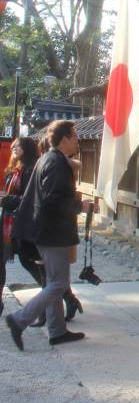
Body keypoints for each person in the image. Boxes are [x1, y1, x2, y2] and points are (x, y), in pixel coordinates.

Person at [6, 120, 91, 350]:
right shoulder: (55, 162)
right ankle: (19, 319)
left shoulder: (49, 158)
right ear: (64, 138)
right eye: (74, 136)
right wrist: (79, 206)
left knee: (52, 282)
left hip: (44, 231)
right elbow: (52, 199)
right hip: (52, 231)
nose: (77, 140)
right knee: (59, 283)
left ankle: (57, 330)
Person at [1, 137, 43, 317]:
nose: (12, 147)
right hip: (8, 222)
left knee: (28, 261)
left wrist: (6, 200)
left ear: (26, 148)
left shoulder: (31, 169)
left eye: (16, 145)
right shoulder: (16, 168)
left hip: (23, 223)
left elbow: (30, 199)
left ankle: (59, 296)